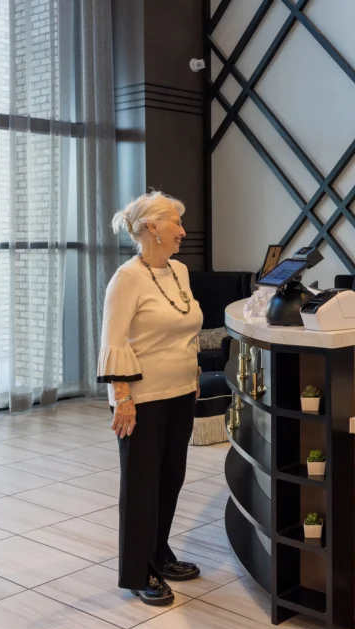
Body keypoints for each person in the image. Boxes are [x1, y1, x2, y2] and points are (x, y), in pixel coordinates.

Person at [98, 191, 204, 606]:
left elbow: (187, 329)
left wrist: (194, 373)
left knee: (170, 479)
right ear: (152, 228)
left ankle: (159, 554)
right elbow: (113, 340)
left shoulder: (180, 271)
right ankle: (139, 570)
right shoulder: (127, 278)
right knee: (141, 485)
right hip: (141, 399)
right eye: (176, 222)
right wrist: (122, 397)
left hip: (181, 392)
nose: (183, 231)